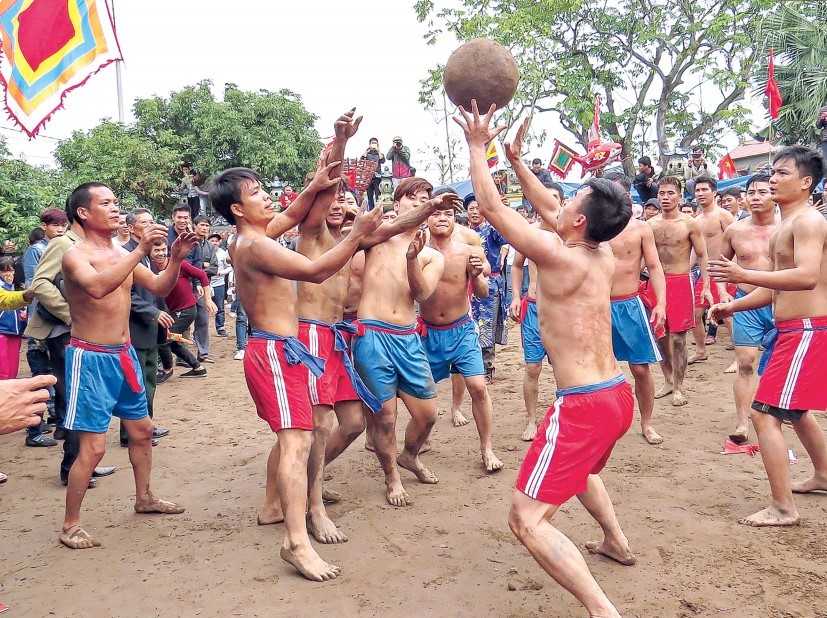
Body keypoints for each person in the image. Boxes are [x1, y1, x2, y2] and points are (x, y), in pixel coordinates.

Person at [457, 102, 635, 618]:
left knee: (526, 519)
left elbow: (493, 211)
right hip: (613, 395)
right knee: (579, 474)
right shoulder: (599, 252)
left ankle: (603, 612)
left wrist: (478, 148)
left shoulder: (557, 255)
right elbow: (552, 212)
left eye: (569, 202)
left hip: (582, 403)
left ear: (577, 220)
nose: (555, 207)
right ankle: (616, 541)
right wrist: (516, 163)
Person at [210, 157, 381, 581]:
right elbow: (316, 270)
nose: (267, 197)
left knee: (300, 440)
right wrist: (357, 236)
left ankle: (281, 516)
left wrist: (319, 182)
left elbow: (291, 212)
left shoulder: (252, 235)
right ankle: (296, 542)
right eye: (256, 194)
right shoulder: (256, 245)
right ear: (236, 209)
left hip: (281, 350)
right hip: (274, 351)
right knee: (297, 445)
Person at [59, 182, 198, 549]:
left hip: (124, 355)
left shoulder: (121, 252)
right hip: (90, 357)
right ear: (83, 213)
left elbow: (158, 287)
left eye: (116, 202)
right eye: (105, 203)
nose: (115, 208)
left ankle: (144, 497)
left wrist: (178, 258)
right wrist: (139, 249)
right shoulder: (76, 255)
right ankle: (70, 525)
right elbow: (98, 288)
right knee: (93, 449)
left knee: (142, 430)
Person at [710, 145, 827, 527]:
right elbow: (778, 289)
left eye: (782, 173)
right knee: (793, 409)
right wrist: (735, 305)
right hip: (794, 328)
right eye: (771, 172)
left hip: (807, 329)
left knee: (764, 414)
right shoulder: (786, 224)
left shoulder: (807, 221)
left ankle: (783, 508)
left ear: (806, 182)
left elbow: (806, 276)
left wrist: (743, 277)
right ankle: (824, 476)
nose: (772, 179)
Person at [353, 177, 449, 507]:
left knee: (428, 415)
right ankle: (392, 476)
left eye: (425, 197)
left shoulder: (433, 256)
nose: (419, 203)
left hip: (407, 337)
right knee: (386, 418)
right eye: (413, 198)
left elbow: (421, 293)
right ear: (398, 204)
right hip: (372, 333)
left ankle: (409, 456)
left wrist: (412, 259)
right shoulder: (377, 237)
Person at [419, 203, 503, 472]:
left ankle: (487, 448)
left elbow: (481, 293)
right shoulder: (417, 251)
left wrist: (477, 276)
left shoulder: (468, 251)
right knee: (421, 393)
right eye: (436, 213)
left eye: (448, 215)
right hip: (427, 332)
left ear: (457, 220)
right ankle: (421, 440)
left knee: (478, 387)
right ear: (426, 218)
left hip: (462, 329)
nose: (442, 218)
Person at [713, 174, 777, 444]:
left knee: (775, 366)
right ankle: (743, 422)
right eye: (751, 192)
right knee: (746, 363)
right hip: (746, 303)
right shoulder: (735, 230)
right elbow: (720, 265)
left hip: (781, 304)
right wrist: (722, 293)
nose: (756, 197)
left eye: (762, 191)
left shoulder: (787, 228)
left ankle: (775, 416)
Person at [648, 176, 711, 406]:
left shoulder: (689, 224)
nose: (665, 198)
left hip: (680, 281)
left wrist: (705, 285)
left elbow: (703, 255)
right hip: (655, 283)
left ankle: (678, 387)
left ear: (680, 195)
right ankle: (667, 379)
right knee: (660, 336)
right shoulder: (650, 225)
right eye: (662, 193)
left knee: (678, 339)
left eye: (670, 193)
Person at [119, 208, 171, 448]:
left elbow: (156, 289)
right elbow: (126, 293)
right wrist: (153, 312)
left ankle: (145, 426)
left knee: (149, 381)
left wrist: (162, 314)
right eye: (144, 223)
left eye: (152, 221)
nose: (150, 225)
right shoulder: (125, 255)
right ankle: (131, 433)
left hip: (150, 329)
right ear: (130, 228)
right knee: (135, 383)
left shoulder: (149, 254)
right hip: (133, 328)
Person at [688, 176, 736, 366]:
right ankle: (701, 350)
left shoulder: (723, 215)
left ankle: (739, 356)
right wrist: (687, 269)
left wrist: (736, 271)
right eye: (697, 190)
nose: (700, 193)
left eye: (704, 190)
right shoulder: (696, 220)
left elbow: (736, 241)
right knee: (695, 314)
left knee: (728, 313)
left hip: (723, 271)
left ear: (714, 192)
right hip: (705, 274)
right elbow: (697, 250)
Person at [153, 242, 213, 382]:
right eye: (156, 250)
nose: (160, 253)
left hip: (186, 310)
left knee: (163, 340)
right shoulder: (150, 267)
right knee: (173, 341)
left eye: (163, 250)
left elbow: (202, 275)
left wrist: (208, 299)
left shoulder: (178, 264)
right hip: (171, 311)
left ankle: (167, 370)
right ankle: (198, 368)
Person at [466, 194, 508, 384]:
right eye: (471, 208)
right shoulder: (462, 233)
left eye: (478, 208)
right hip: (466, 285)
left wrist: (502, 212)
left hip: (490, 284)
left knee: (487, 325)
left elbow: (507, 235)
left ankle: (487, 366)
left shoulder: (491, 230)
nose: (475, 212)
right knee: (469, 324)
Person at [192, 215, 218, 362]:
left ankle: (203, 354)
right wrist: (202, 266)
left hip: (204, 287)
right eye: (202, 225)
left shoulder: (209, 246)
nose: (205, 228)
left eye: (207, 226)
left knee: (203, 320)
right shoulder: (188, 241)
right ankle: (182, 355)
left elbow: (214, 268)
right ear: (195, 226)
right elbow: (186, 266)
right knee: (185, 318)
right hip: (188, 285)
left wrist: (199, 269)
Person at [0, 256, 27, 379]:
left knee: (13, 367)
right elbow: (6, 301)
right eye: (5, 271)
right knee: (3, 368)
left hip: (15, 331)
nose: (8, 274)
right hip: (2, 330)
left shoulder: (16, 285)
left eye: (11, 270)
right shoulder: (4, 286)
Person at [207, 233, 231, 336]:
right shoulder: (204, 252)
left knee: (220, 307)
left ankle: (220, 327)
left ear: (219, 242)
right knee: (203, 309)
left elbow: (230, 267)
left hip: (219, 284)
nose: (214, 243)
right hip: (206, 283)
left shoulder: (223, 254)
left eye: (216, 241)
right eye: (212, 241)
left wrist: (221, 273)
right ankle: (200, 332)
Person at [360, 137, 385, 210]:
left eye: (375, 143)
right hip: (369, 177)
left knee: (378, 195)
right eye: (372, 143)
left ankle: (378, 210)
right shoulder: (367, 154)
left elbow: (382, 160)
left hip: (377, 178)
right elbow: (362, 160)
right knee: (369, 196)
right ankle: (371, 210)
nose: (374, 144)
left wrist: (378, 150)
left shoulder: (379, 154)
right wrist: (367, 149)